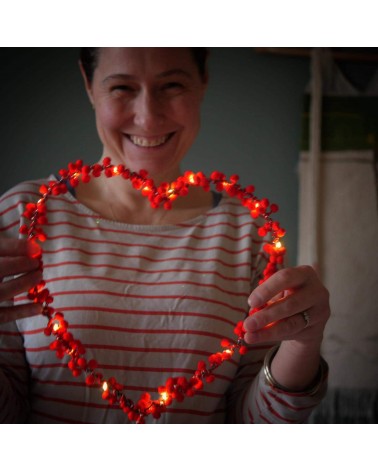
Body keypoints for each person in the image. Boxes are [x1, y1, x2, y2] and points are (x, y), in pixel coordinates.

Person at [0, 48, 330, 423]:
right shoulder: (22, 218)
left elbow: (252, 428)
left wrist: (303, 344)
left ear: (203, 81)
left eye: (171, 85)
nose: (148, 116)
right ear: (89, 85)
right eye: (122, 87)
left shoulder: (249, 235)